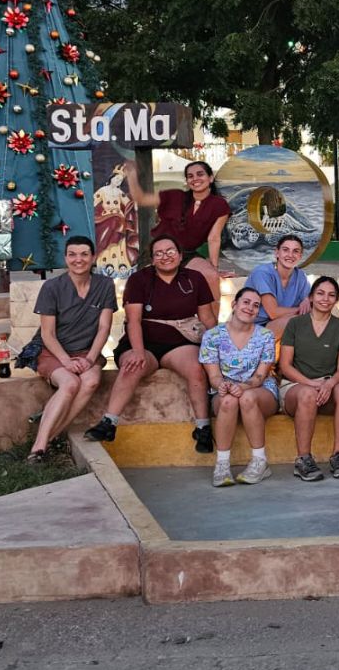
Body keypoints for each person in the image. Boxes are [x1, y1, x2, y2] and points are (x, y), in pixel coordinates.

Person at [84, 233, 218, 452]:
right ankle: (109, 422)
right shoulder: (139, 280)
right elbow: (134, 321)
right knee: (132, 365)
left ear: (180, 255)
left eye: (170, 251)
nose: (165, 256)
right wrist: (137, 351)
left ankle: (202, 427)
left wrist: (223, 347)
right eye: (159, 253)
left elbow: (208, 318)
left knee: (196, 368)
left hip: (180, 344)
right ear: (152, 258)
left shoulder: (194, 279)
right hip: (143, 343)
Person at [26, 235, 116, 462]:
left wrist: (90, 359)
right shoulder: (52, 287)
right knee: (70, 383)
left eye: (84, 254)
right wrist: (66, 361)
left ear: (93, 257)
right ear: (66, 258)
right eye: (73, 254)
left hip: (87, 351)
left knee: (91, 381)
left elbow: (104, 328)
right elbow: (48, 334)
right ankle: (38, 446)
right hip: (53, 351)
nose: (79, 259)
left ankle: (51, 436)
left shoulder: (105, 285)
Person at [198, 287, 279, 487]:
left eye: (256, 305)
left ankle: (260, 462)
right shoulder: (213, 336)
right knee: (228, 400)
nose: (250, 308)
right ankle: (222, 465)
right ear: (234, 304)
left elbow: (261, 375)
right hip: (225, 391)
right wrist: (223, 385)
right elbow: (214, 376)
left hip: (260, 391)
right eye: (246, 302)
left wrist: (243, 386)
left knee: (246, 397)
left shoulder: (265, 336)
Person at [277, 276, 339, 482]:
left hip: (326, 386)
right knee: (307, 394)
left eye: (331, 295)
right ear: (311, 297)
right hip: (296, 386)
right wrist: (312, 383)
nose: (325, 299)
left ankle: (338, 456)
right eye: (320, 293)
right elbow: (285, 365)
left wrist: (329, 383)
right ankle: (303, 459)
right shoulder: (295, 324)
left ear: (336, 300)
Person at [127, 160, 231, 300]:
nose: (195, 179)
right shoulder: (174, 195)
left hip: (186, 253)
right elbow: (141, 198)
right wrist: (131, 175)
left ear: (210, 178)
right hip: (159, 250)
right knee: (152, 288)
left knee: (211, 276)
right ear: (187, 181)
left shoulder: (219, 205)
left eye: (200, 174)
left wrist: (214, 268)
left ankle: (213, 321)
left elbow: (214, 238)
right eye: (190, 176)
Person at [248, 234, 310, 338]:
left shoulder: (301, 276)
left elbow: (312, 303)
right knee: (298, 321)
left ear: (300, 256)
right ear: (277, 253)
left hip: (279, 324)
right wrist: (301, 309)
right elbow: (273, 312)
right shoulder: (263, 273)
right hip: (253, 326)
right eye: (285, 250)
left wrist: (308, 299)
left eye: (295, 251)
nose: (290, 255)